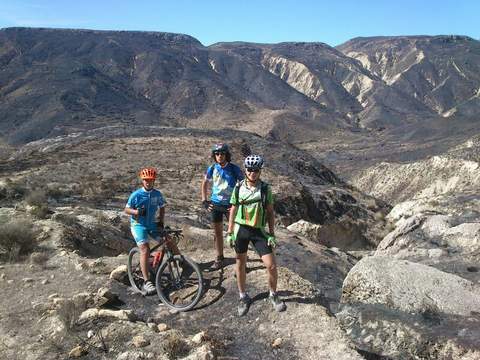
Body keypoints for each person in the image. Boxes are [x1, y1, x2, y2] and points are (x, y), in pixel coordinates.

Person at [226, 154, 286, 316]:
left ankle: (273, 294)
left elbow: (270, 213)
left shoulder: (266, 189)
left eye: (256, 170)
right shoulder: (239, 187)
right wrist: (230, 232)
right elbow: (233, 210)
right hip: (241, 230)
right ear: (245, 170)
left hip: (258, 230)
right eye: (250, 169)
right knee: (240, 264)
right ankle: (243, 296)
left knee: (271, 265)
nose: (253, 172)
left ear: (260, 171)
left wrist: (272, 234)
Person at [124, 167, 180, 295]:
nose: (148, 182)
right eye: (146, 180)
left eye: (150, 180)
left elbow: (162, 207)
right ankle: (147, 281)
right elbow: (126, 210)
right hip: (138, 225)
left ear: (154, 180)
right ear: (142, 181)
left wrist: (161, 221)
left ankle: (183, 263)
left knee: (168, 240)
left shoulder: (157, 194)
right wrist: (136, 212)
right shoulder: (136, 195)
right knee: (145, 249)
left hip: (152, 225)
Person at [201, 143, 244, 271]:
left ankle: (241, 262)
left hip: (230, 205)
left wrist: (238, 204)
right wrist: (205, 201)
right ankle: (219, 258)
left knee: (236, 234)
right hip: (216, 204)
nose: (219, 156)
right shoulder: (212, 168)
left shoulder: (234, 169)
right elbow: (204, 183)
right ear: (214, 155)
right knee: (217, 233)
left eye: (222, 153)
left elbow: (243, 186)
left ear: (227, 155)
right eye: (217, 153)